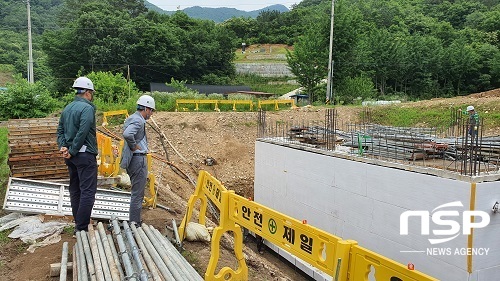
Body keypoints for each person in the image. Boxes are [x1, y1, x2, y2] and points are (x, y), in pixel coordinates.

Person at [57, 77, 98, 232]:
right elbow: (83, 131)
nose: (92, 95)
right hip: (84, 155)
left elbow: (60, 130)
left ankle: (79, 223)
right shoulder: (87, 109)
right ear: (87, 92)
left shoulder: (67, 108)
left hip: (71, 157)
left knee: (75, 189)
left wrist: (64, 148)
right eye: (91, 93)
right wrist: (73, 149)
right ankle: (81, 228)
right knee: (87, 191)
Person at [121, 94, 155, 225]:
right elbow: (127, 134)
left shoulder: (132, 117)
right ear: (146, 109)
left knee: (136, 192)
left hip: (133, 160)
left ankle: (133, 220)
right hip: (138, 160)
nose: (151, 114)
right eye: (151, 111)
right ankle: (134, 223)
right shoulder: (139, 120)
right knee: (138, 194)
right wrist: (134, 145)